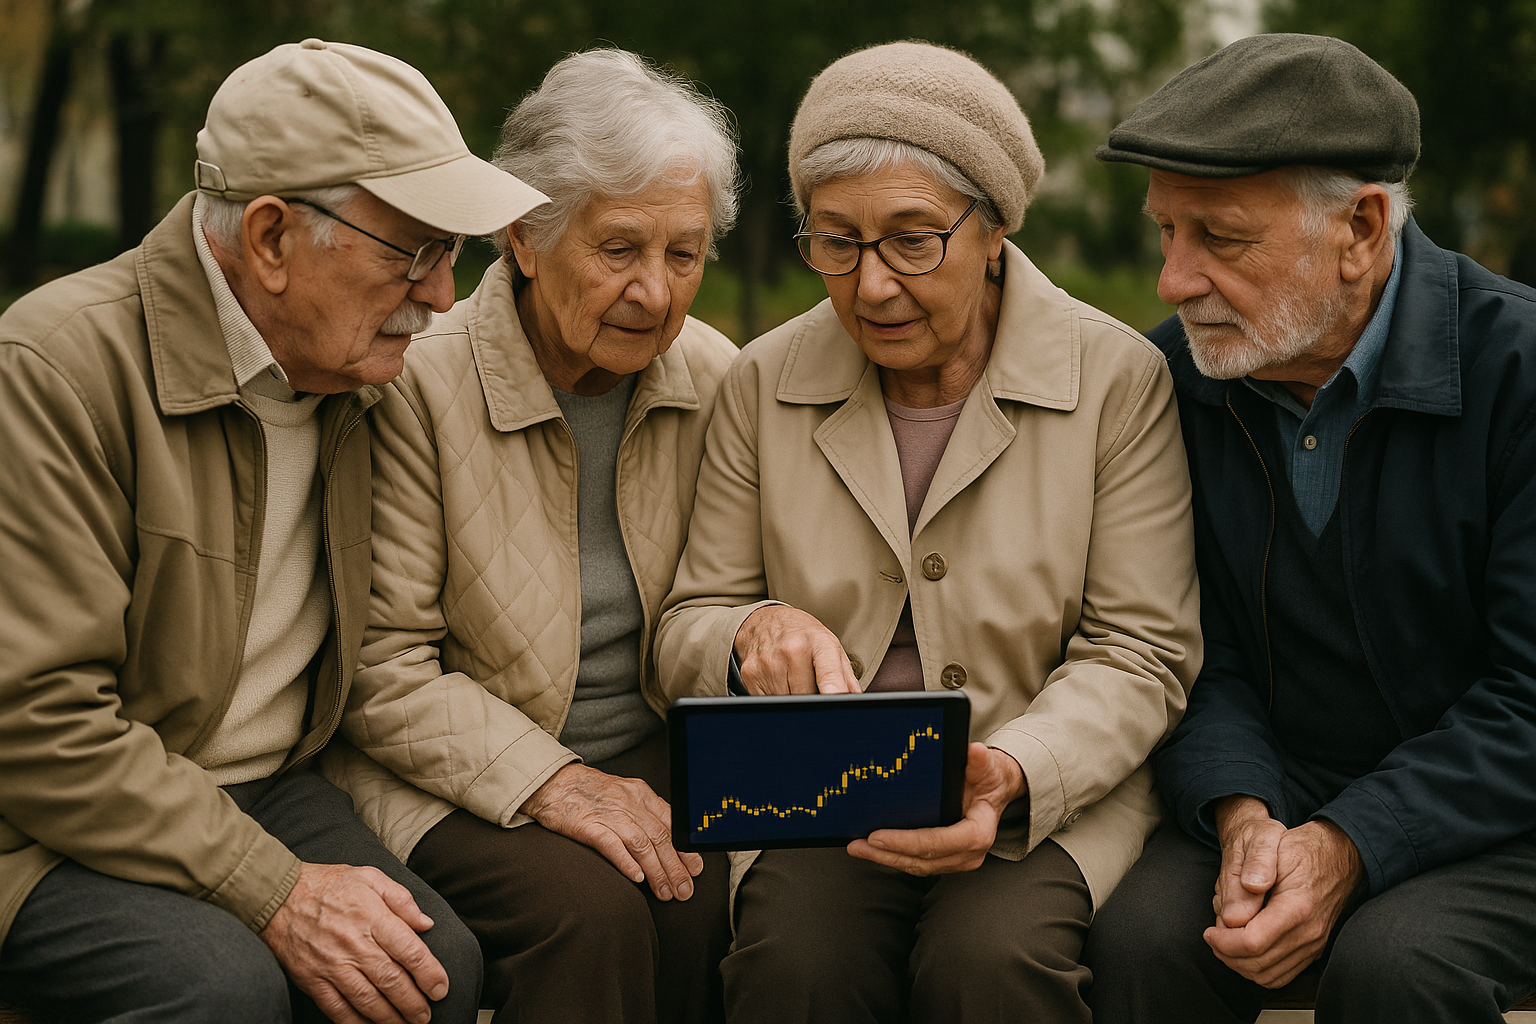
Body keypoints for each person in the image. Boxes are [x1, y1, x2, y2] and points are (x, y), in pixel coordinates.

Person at [0, 38, 547, 1024]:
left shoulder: (360, 377)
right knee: (219, 991)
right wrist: (275, 888)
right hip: (46, 822)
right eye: (411, 253)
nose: (439, 297)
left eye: (450, 255)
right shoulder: (53, 371)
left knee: (430, 973)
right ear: (268, 237)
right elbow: (33, 723)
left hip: (269, 781)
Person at [653, 41, 1202, 1024]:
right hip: (824, 793)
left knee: (991, 964)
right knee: (792, 962)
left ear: (995, 229)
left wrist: (1017, 769)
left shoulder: (1116, 381)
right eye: (835, 242)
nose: (870, 288)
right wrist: (748, 632)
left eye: (912, 240)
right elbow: (690, 615)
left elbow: (1143, 648)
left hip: (1043, 791)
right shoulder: (762, 383)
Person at [1082, 33, 1536, 1024]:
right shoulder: (1172, 381)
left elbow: (1530, 694)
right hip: (1270, 789)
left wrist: (1353, 840)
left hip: (1506, 815)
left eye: (1221, 239)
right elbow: (1190, 649)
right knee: (1136, 938)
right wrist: (1243, 813)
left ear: (1363, 227)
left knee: (1397, 965)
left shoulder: (1521, 374)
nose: (1173, 280)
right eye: (1166, 232)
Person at [320, 49, 740, 1024]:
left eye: (684, 254)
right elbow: (382, 668)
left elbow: (722, 600)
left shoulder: (717, 381)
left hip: (646, 750)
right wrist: (552, 781)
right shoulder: (417, 385)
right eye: (619, 248)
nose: (655, 291)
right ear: (522, 234)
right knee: (585, 916)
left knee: (708, 900)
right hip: (444, 771)